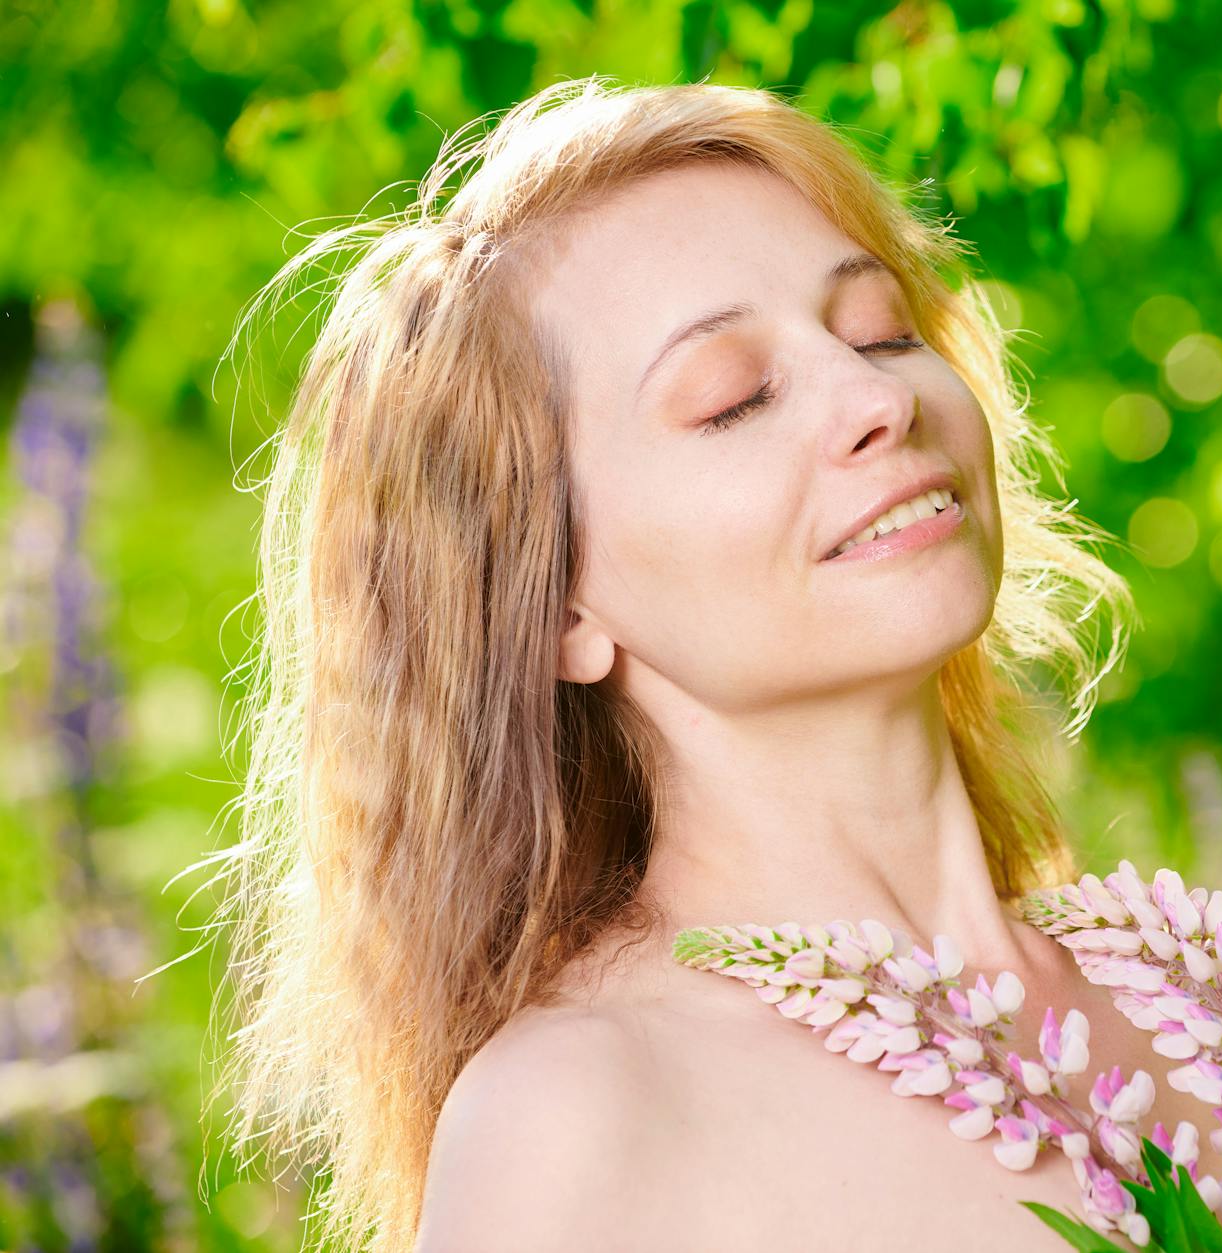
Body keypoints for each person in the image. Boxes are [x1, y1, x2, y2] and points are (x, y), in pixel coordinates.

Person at [209, 76, 1158, 1252]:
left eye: (881, 331)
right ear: (556, 602)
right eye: (731, 400)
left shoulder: (1197, 1004)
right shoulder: (579, 1113)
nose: (875, 396)